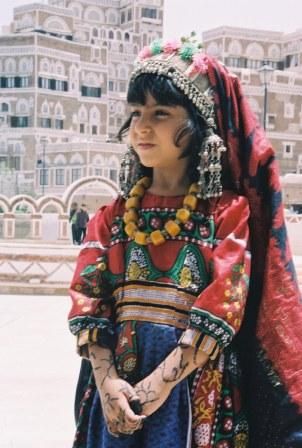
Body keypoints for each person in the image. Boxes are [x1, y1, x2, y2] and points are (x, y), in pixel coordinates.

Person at [68, 37, 302, 448]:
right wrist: (109, 387)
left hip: (194, 394)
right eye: (136, 112)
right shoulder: (113, 218)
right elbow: (91, 301)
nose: (141, 126)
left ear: (198, 126)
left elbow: (221, 309)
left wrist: (156, 388)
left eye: (160, 113)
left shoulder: (227, 215)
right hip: (117, 396)